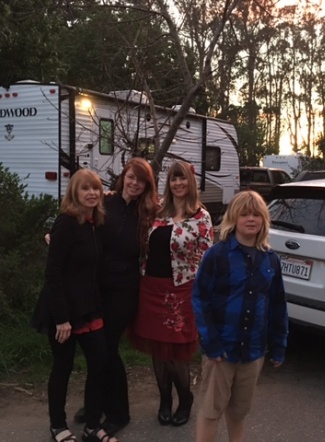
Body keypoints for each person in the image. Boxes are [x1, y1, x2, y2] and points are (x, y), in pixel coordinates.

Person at [191, 190, 289, 442]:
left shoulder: (270, 260)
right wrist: (211, 342)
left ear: (263, 220)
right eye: (244, 214)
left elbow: (277, 305)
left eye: (256, 214)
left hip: (253, 352)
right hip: (221, 350)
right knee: (211, 410)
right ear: (234, 218)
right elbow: (200, 299)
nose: (250, 219)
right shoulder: (217, 256)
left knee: (239, 412)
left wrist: (278, 345)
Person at [31, 169, 119, 442]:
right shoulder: (66, 223)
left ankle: (92, 425)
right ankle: (58, 426)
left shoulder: (94, 222)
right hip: (63, 312)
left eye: (96, 189)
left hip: (89, 308)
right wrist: (61, 318)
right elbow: (52, 273)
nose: (92, 193)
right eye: (85, 189)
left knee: (100, 363)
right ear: (74, 193)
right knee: (63, 367)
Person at [73, 158, 159, 436]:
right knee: (96, 349)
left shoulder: (148, 213)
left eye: (141, 180)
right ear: (124, 177)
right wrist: (56, 234)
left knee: (106, 349)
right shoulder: (105, 203)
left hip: (124, 291)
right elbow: (80, 223)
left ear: (147, 185)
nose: (135, 183)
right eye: (131, 177)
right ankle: (94, 405)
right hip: (96, 286)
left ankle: (119, 412)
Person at [130, 161, 214, 427]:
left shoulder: (201, 217)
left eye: (183, 179)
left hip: (181, 290)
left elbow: (207, 259)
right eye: (174, 179)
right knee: (158, 349)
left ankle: (185, 399)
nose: (178, 183)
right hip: (151, 288)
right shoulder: (157, 210)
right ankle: (165, 399)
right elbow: (124, 201)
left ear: (191, 182)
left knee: (176, 351)